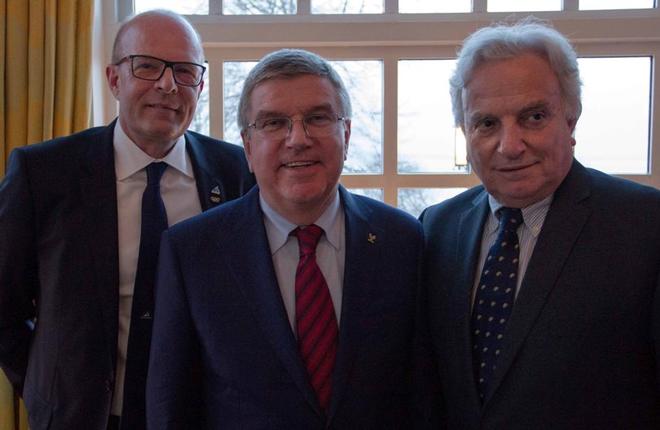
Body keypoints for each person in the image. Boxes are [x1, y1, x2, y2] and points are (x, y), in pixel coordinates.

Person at [0, 9, 254, 430]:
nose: (168, 85)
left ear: (201, 85)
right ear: (114, 79)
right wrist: (43, 385)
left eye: (185, 71)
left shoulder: (238, 173)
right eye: (148, 66)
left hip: (201, 416)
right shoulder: (43, 174)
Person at [146, 48, 425, 429]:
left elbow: (424, 395)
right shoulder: (192, 252)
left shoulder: (403, 240)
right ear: (247, 145)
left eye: (318, 118)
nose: (298, 139)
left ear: (345, 132)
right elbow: (171, 407)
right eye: (274, 123)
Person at [419, 17, 660, 429]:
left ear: (571, 119)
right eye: (486, 123)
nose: (510, 146)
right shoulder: (437, 227)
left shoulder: (647, 227)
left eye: (533, 117)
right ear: (465, 130)